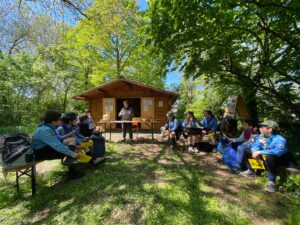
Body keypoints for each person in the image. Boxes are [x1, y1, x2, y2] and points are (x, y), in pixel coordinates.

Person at [240, 120, 292, 193]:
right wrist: (255, 152)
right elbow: (255, 145)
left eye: (262, 126)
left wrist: (260, 152)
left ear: (269, 129)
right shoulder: (262, 136)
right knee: (247, 150)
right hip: (265, 156)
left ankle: (271, 182)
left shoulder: (279, 139)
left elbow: (277, 152)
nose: (259, 128)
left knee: (269, 156)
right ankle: (250, 170)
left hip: (279, 160)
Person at [31, 110, 82, 179]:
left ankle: (71, 170)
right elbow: (57, 145)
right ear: (53, 121)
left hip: (47, 148)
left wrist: (73, 146)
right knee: (71, 151)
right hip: (40, 153)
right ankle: (72, 173)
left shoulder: (48, 127)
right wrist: (72, 153)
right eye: (59, 119)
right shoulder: (45, 130)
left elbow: (58, 139)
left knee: (72, 141)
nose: (61, 121)